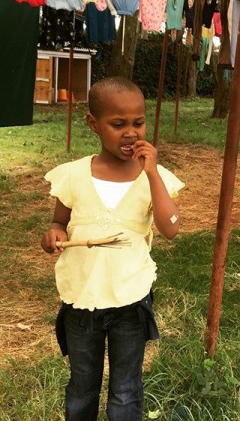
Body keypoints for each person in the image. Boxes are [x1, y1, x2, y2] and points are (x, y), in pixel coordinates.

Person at [41, 77, 184, 420]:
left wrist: (152, 175)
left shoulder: (155, 177)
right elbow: (58, 222)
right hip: (82, 298)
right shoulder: (74, 175)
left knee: (125, 387)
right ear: (93, 123)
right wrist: (53, 234)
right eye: (118, 124)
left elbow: (171, 228)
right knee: (82, 382)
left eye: (138, 123)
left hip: (130, 299)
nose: (131, 133)